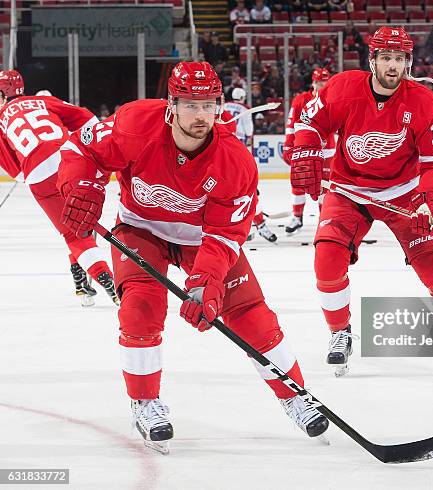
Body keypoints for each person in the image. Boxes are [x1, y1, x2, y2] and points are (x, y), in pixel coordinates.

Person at [57, 62, 328, 453]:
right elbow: (80, 148)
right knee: (140, 308)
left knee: (251, 315)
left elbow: (225, 234)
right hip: (140, 228)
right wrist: (81, 185)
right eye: (191, 105)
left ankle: (294, 396)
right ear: (171, 105)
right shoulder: (134, 123)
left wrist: (207, 282)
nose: (201, 115)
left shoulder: (235, 161)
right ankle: (145, 403)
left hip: (200, 238)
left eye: (208, 106)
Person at [288, 27, 433, 376]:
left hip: (406, 193)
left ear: (408, 62)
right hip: (349, 190)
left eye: (400, 58)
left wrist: (429, 199)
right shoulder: (343, 87)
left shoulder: (424, 101)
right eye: (386, 58)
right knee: (327, 259)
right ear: (373, 61)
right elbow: (310, 121)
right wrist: (306, 150)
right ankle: (340, 332)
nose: (393, 66)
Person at [0, 69, 118, 307]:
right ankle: (79, 273)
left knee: (72, 232)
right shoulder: (42, 100)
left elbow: (16, 171)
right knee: (83, 219)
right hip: (69, 158)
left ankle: (107, 281)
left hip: (38, 173)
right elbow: (87, 118)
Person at [282, 67, 335, 235]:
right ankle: (297, 217)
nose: (322, 85)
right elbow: (291, 124)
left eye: (325, 82)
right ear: (313, 82)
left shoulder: (333, 99)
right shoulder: (300, 100)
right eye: (320, 82)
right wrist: (288, 146)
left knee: (324, 187)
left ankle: (324, 220)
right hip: (303, 148)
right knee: (299, 182)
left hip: (327, 150)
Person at [224, 87, 277, 243]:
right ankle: (258, 226)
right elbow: (249, 131)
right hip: (237, 152)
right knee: (246, 192)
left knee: (230, 194)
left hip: (221, 152)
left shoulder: (223, 107)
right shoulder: (245, 109)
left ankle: (244, 227)